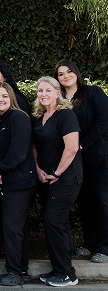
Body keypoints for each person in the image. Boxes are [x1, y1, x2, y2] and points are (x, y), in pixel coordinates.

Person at [53, 60, 108, 264]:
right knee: (84, 201)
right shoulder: (58, 99)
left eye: (69, 71)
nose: (66, 76)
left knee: (102, 200)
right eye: (61, 74)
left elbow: (103, 121)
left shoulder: (93, 93)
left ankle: (104, 246)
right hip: (75, 160)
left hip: (99, 156)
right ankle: (90, 242)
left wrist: (83, 144)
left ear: (76, 72)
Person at [33, 76, 82, 287]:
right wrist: (38, 169)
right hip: (46, 178)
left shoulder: (66, 116)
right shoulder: (40, 117)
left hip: (66, 178)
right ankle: (63, 271)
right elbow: (34, 147)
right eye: (40, 91)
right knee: (59, 223)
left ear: (57, 93)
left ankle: (65, 273)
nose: (43, 94)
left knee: (53, 221)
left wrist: (57, 173)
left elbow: (71, 148)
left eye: (48, 90)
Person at [0, 82, 36, 286]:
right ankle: (21, 270)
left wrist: (0, 170)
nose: (0, 99)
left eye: (4, 96)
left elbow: (18, 151)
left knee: (11, 226)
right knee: (16, 227)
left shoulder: (18, 117)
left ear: (11, 98)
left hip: (20, 182)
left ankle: (15, 272)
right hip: (10, 182)